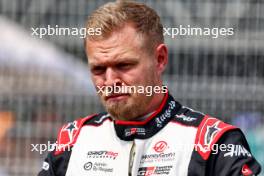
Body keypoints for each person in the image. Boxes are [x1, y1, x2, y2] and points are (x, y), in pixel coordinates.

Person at [38, 1, 261, 175]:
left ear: (160, 59)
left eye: (124, 65)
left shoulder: (212, 142)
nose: (110, 81)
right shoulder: (73, 139)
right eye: (98, 69)